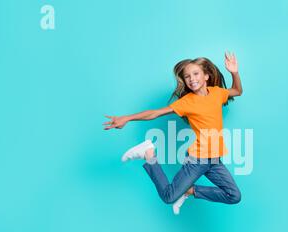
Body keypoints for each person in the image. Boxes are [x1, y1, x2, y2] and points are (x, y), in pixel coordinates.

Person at [103, 52, 243, 214]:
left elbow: (237, 91)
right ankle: (148, 154)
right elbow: (155, 113)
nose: (191, 79)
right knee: (169, 196)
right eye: (187, 76)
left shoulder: (217, 93)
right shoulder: (187, 102)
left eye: (195, 74)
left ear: (206, 76)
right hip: (198, 160)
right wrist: (128, 118)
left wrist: (234, 72)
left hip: (215, 160)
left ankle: (189, 191)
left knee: (234, 195)